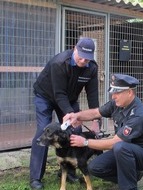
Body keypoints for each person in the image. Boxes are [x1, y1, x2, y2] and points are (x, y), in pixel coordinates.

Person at [63, 74, 143, 190]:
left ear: (129, 93)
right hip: (125, 150)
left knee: (120, 147)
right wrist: (76, 116)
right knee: (95, 167)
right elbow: (96, 113)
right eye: (113, 93)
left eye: (117, 93)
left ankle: (129, 187)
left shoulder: (138, 114)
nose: (113, 96)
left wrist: (85, 142)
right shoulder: (117, 104)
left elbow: (114, 143)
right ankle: (133, 175)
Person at [29, 38, 100, 190]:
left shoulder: (92, 68)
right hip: (45, 96)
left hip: (69, 98)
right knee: (44, 130)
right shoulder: (59, 63)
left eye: (87, 58)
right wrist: (71, 114)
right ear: (75, 48)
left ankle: (70, 169)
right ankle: (35, 178)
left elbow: (92, 94)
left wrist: (95, 120)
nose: (83, 60)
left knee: (76, 130)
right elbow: (59, 93)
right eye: (80, 56)